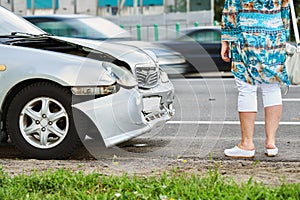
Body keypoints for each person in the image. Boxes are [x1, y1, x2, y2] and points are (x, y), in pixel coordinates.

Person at [221, 0, 290, 158]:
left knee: (246, 88)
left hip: (246, 35)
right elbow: (285, 8)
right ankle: (271, 143)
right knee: (272, 87)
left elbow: (231, 8)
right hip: (275, 35)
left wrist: (225, 39)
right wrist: (282, 36)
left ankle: (247, 144)